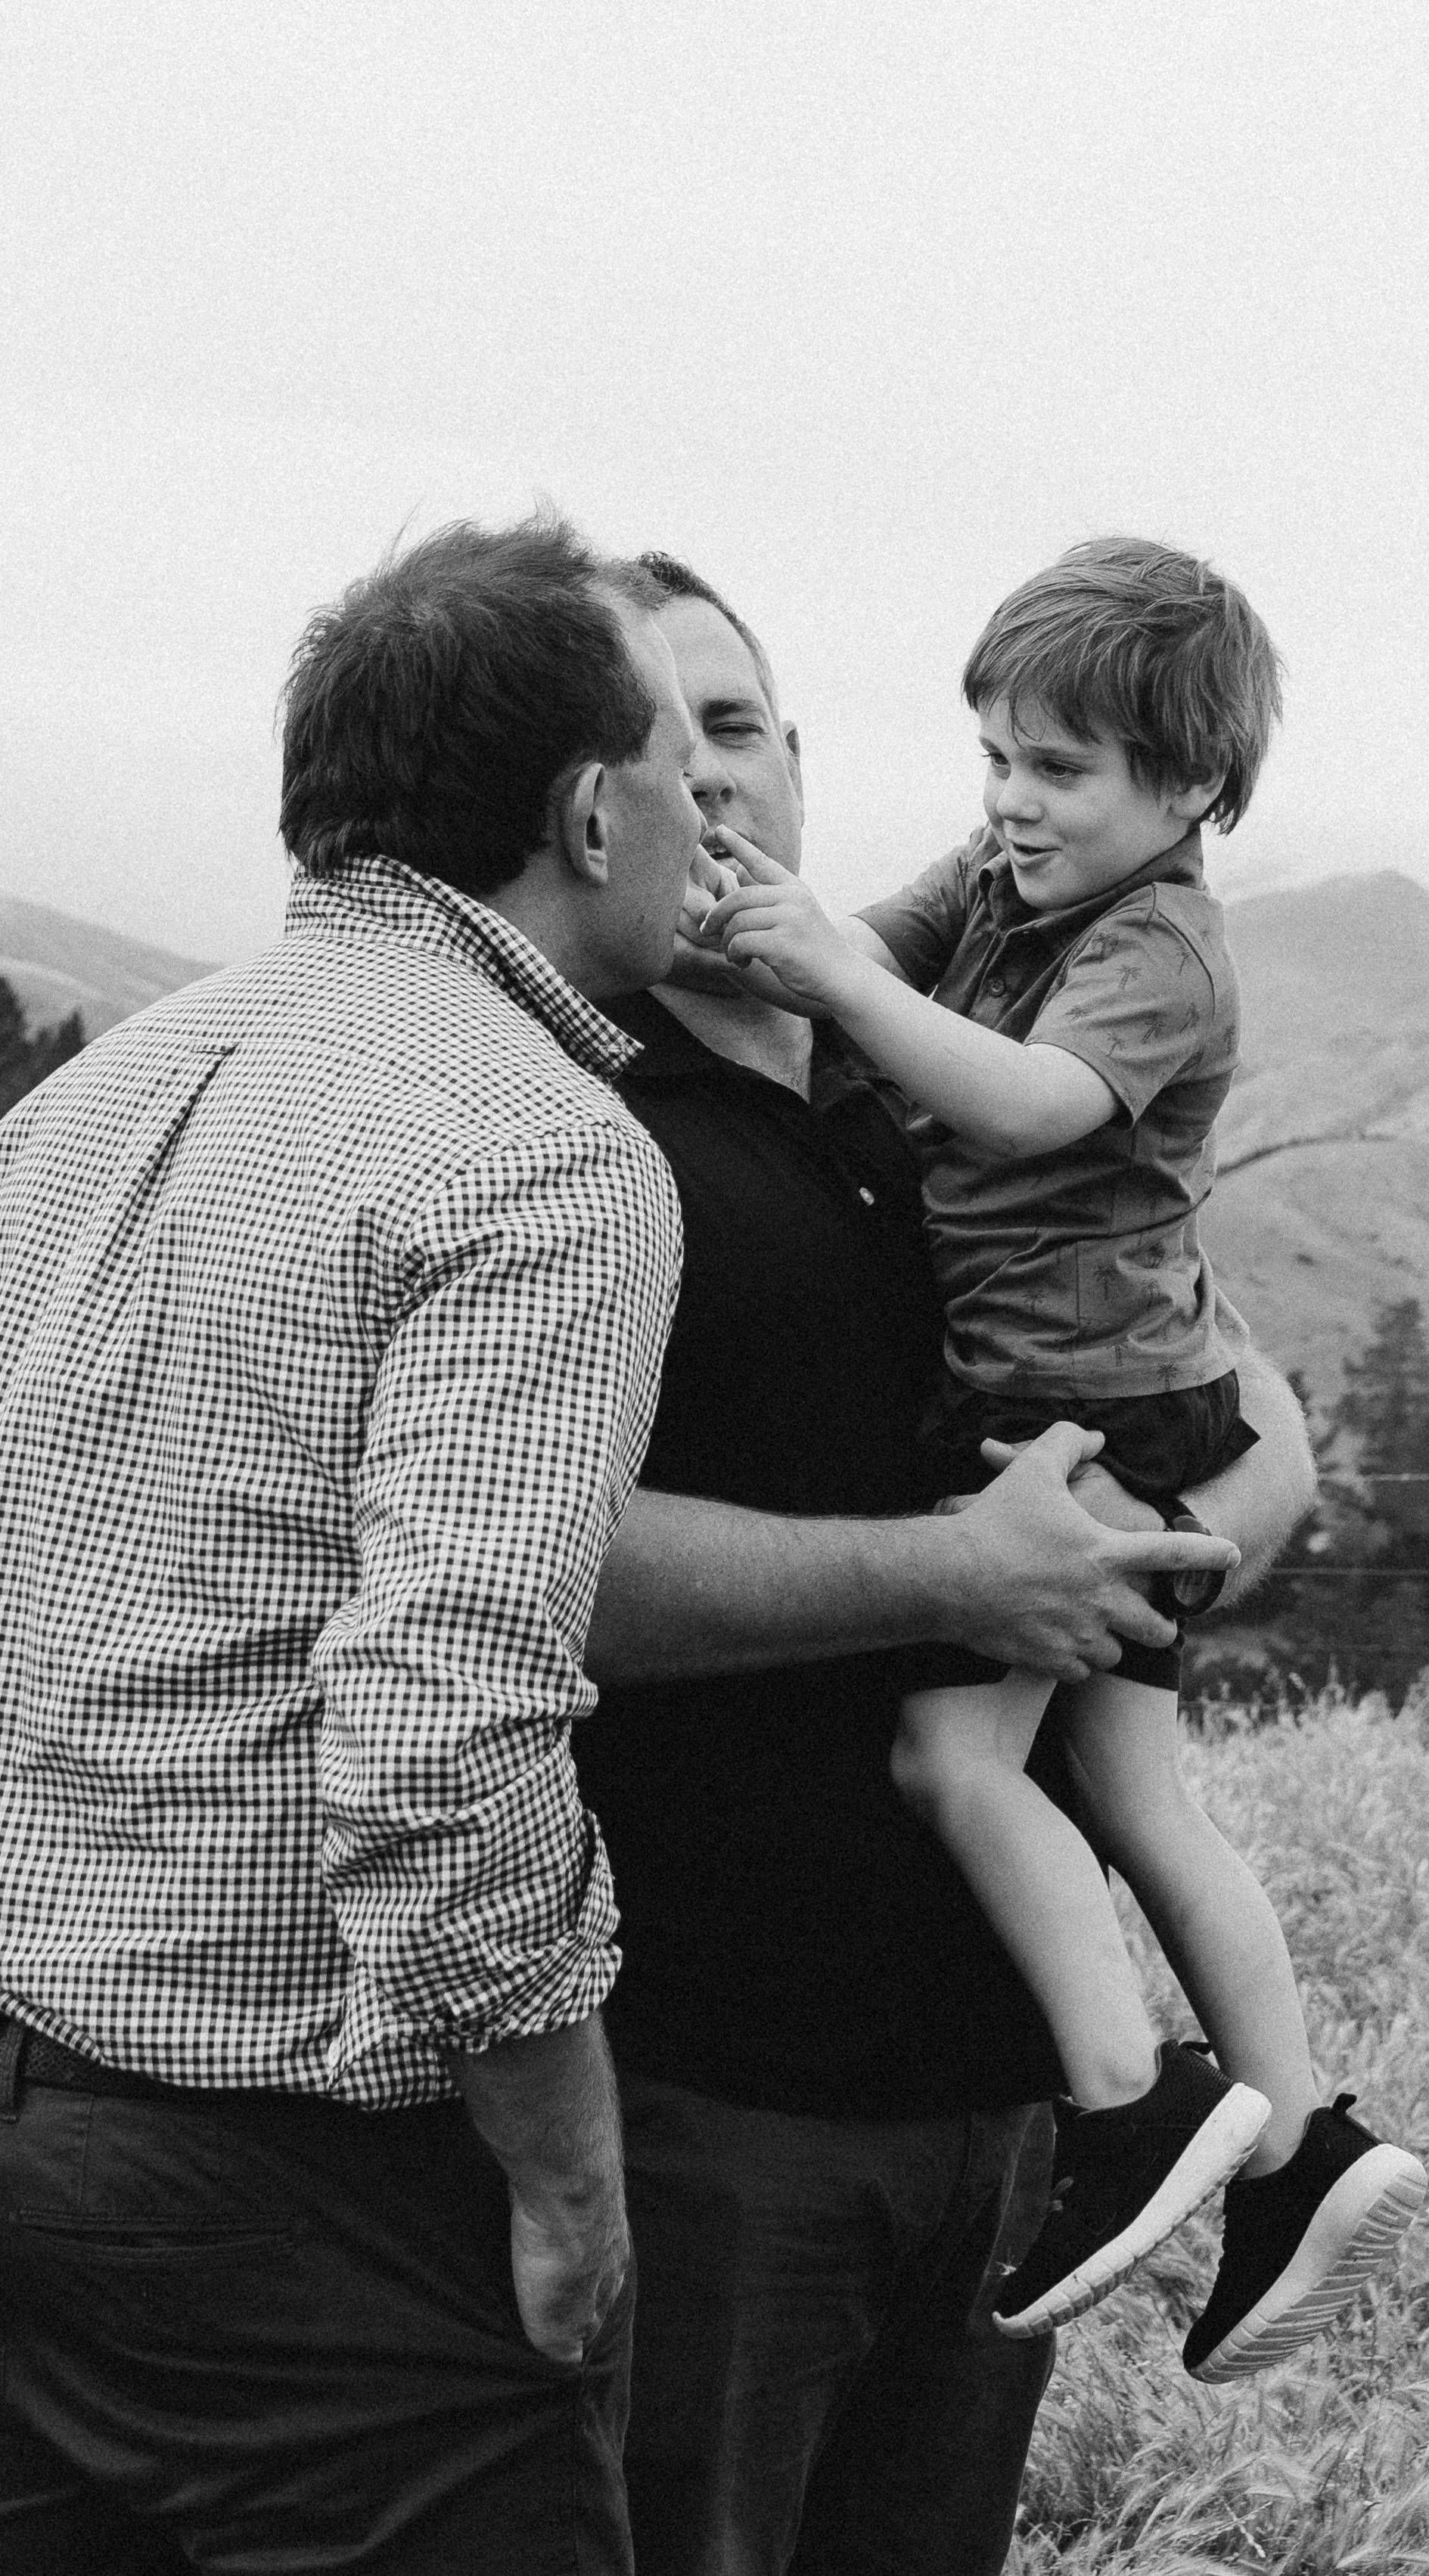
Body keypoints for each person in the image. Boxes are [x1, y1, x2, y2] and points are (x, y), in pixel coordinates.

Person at [574, 551, 1319, 2576]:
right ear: (572, 797)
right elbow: (522, 1568)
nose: (703, 779)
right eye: (646, 735)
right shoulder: (568, 1127)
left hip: (996, 2111)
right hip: (719, 2092)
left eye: (733, 725)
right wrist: (953, 1578)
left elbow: (1252, 1426)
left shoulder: (948, 1081)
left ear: (799, 763)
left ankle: (1233, 2120)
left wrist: (1155, 1559)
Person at [0, 517, 703, 2574]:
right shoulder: (542, 1150)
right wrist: (571, 2174)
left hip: (37, 2116)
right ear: (586, 806)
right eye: (680, 767)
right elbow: (441, 1737)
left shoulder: (85, 1105)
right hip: (321, 2194)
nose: (704, 821)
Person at [698, 537, 1426, 2378]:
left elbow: (1021, 1100)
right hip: (1108, 1395)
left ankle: (1128, 2101)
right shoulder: (1015, 875)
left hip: (1063, 1414)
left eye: (1058, 772)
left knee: (950, 1758)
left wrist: (834, 993)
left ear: (1186, 788)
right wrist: (767, 929)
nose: (1012, 803)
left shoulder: (1160, 940)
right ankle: (1302, 2138)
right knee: (1137, 1798)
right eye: (997, 762)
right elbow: (860, 949)